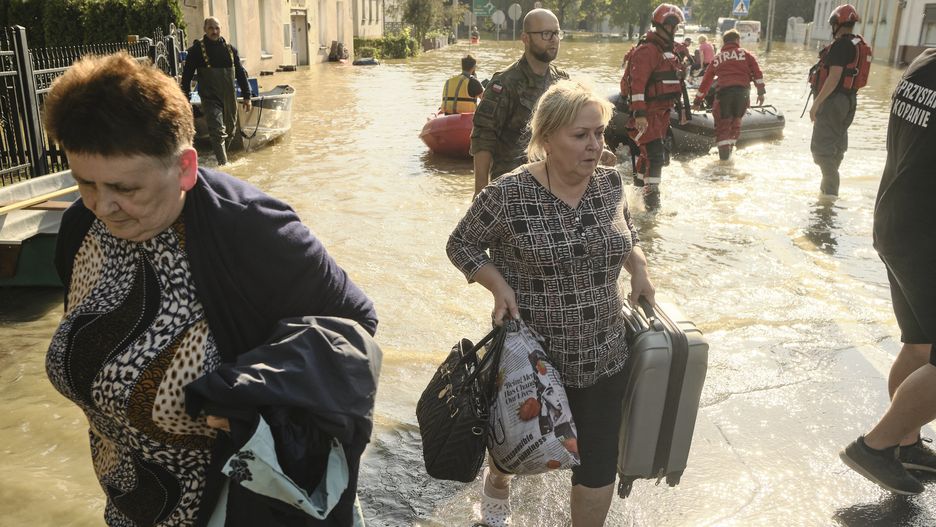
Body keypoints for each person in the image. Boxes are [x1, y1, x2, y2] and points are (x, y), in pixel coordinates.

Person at [43, 52, 378, 526]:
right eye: (85, 183)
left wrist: (249, 391)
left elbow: (356, 325)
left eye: (126, 189)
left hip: (237, 507)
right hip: (129, 503)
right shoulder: (81, 227)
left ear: (185, 167)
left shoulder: (251, 229)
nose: (103, 206)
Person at [448, 79, 656, 527]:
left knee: (597, 464)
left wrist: (639, 268)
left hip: (604, 353)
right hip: (533, 358)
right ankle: (498, 479)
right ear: (546, 138)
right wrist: (497, 285)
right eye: (581, 135)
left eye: (599, 133)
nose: (595, 145)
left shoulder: (609, 184)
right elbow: (461, 244)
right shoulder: (508, 193)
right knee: (517, 446)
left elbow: (627, 234)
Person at [839, 48, 936, 496]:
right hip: (926, 231)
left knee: (919, 345)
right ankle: (875, 447)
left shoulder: (923, 64)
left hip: (895, 218)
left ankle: (905, 443)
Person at [470, 8, 569, 195]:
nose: (554, 39)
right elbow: (483, 137)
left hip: (553, 185)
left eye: (557, 33)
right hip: (511, 188)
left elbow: (577, 125)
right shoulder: (504, 83)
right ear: (525, 38)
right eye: (546, 34)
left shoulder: (562, 81)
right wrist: (480, 191)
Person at [619, 3, 686, 206]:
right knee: (656, 156)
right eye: (674, 27)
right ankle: (652, 203)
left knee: (650, 155)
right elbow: (637, 85)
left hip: (661, 114)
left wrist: (682, 109)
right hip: (647, 115)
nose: (675, 31)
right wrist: (639, 114)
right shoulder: (647, 51)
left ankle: (638, 194)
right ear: (666, 25)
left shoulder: (668, 51)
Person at [808, 4, 872, 196]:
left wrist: (816, 104)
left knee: (821, 150)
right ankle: (827, 191)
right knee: (836, 147)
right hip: (849, 101)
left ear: (837, 24)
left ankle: (829, 196)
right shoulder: (856, 43)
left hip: (834, 102)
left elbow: (833, 77)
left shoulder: (841, 45)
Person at [180, 17, 252, 165]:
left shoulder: (230, 50)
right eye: (211, 28)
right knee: (217, 130)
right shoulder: (196, 51)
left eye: (217, 28)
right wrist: (185, 99)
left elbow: (240, 73)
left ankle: (218, 156)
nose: (214, 31)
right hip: (209, 98)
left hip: (229, 97)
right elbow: (186, 77)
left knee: (230, 130)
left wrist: (247, 96)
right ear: (205, 29)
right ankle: (223, 165)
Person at [692, 29, 766, 160]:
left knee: (723, 126)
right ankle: (729, 158)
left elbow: (706, 82)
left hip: (724, 94)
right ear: (737, 40)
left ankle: (723, 162)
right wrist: (760, 93)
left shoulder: (717, 58)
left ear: (724, 42)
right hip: (743, 94)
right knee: (735, 123)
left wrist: (697, 101)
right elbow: (757, 74)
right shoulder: (746, 55)